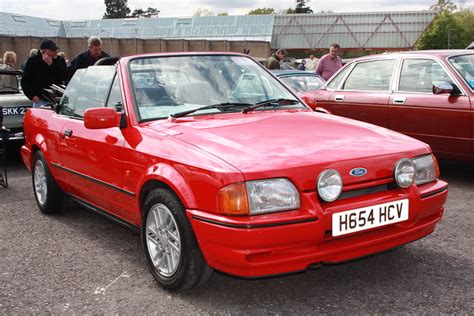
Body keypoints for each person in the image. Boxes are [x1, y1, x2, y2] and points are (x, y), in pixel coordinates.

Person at [21, 39, 67, 108]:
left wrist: (51, 65)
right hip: (40, 100)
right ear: (45, 51)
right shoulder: (33, 61)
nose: (56, 52)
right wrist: (32, 96)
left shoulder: (59, 60)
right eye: (53, 50)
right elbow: (25, 81)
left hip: (57, 99)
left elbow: (64, 77)